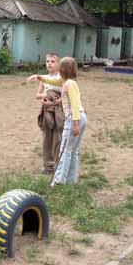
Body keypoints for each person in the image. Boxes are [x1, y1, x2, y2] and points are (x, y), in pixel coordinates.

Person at [28, 57, 86, 186]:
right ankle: (71, 180)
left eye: (60, 67)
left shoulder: (69, 84)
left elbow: (75, 104)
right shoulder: (65, 81)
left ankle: (58, 181)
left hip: (74, 118)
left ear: (64, 69)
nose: (58, 69)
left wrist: (75, 123)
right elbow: (51, 80)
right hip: (80, 117)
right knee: (73, 151)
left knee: (65, 150)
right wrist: (39, 77)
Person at [35, 53, 63, 175]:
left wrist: (55, 101)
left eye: (53, 61)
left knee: (58, 139)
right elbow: (37, 95)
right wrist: (45, 96)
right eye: (47, 61)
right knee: (47, 138)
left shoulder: (62, 77)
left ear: (58, 64)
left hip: (58, 112)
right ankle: (48, 166)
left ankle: (58, 166)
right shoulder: (44, 78)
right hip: (47, 112)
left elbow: (66, 95)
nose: (49, 63)